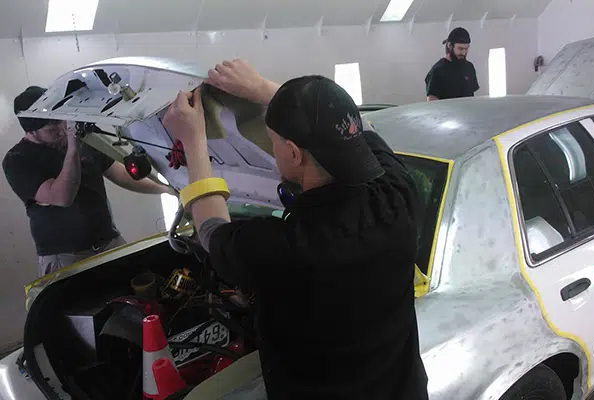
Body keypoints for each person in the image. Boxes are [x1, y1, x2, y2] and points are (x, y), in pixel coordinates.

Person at [162, 60, 429, 399]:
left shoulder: (289, 248)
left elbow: (212, 231)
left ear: (292, 152)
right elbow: (363, 130)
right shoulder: (400, 192)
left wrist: (194, 141)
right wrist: (262, 89)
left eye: (273, 142)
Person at [3, 86, 176, 277]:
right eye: (52, 129)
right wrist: (73, 149)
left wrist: (166, 189)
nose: (61, 130)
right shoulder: (18, 160)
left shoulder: (82, 139)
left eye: (61, 121)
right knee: (83, 306)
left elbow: (120, 175)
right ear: (32, 132)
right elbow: (61, 197)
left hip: (108, 242)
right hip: (66, 257)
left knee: (141, 288)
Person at [425, 27, 480, 101]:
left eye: (466, 49)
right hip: (447, 112)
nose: (463, 53)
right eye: (460, 49)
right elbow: (432, 99)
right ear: (450, 46)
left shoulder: (469, 67)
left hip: (467, 112)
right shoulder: (437, 71)